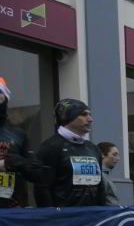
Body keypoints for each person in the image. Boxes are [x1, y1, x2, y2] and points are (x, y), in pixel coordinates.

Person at [34, 99, 106, 207]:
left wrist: (102, 211)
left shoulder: (93, 148)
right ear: (67, 117)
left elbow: (100, 187)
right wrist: (50, 214)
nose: (90, 119)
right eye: (84, 114)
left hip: (92, 214)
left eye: (90, 115)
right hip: (64, 215)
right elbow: (42, 187)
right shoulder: (51, 147)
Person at [0, 78, 43, 208]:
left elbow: (37, 173)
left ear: (5, 98)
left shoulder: (18, 134)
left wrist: (18, 162)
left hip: (13, 209)